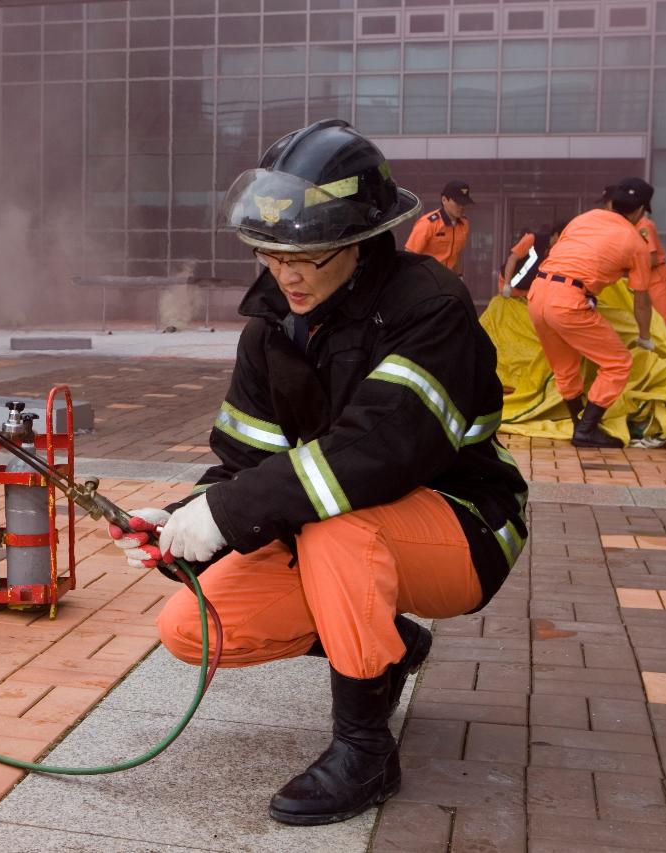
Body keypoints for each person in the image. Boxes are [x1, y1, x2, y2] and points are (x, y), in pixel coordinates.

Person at [107, 120, 528, 826]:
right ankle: (383, 648)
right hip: (346, 522)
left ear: (363, 239)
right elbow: (247, 464)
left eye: (311, 254)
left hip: (466, 521)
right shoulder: (269, 332)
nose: (288, 274)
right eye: (271, 253)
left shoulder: (430, 308)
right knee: (190, 626)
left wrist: (229, 515)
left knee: (338, 522)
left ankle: (365, 749)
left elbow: (375, 453)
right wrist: (186, 517)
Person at [525, 177, 655, 449]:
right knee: (618, 363)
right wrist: (645, 337)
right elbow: (641, 300)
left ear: (612, 202)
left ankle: (578, 425)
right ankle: (586, 429)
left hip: (538, 294)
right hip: (569, 300)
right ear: (640, 210)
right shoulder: (636, 243)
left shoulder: (583, 219)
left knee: (565, 367)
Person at [404, 180, 473, 275]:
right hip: (426, 278)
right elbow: (409, 257)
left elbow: (457, 254)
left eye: (464, 203)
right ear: (444, 200)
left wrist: (459, 277)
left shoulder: (464, 224)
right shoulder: (428, 223)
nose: (461, 207)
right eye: (458, 203)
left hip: (448, 280)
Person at [636, 210, 666, 345]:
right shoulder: (627, 225)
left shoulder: (643, 225)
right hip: (640, 277)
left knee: (663, 319)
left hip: (654, 277)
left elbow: (652, 258)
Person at [500, 220, 571, 298]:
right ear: (556, 235)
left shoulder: (556, 252)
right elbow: (512, 259)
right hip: (508, 287)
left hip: (526, 293)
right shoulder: (532, 239)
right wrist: (507, 284)